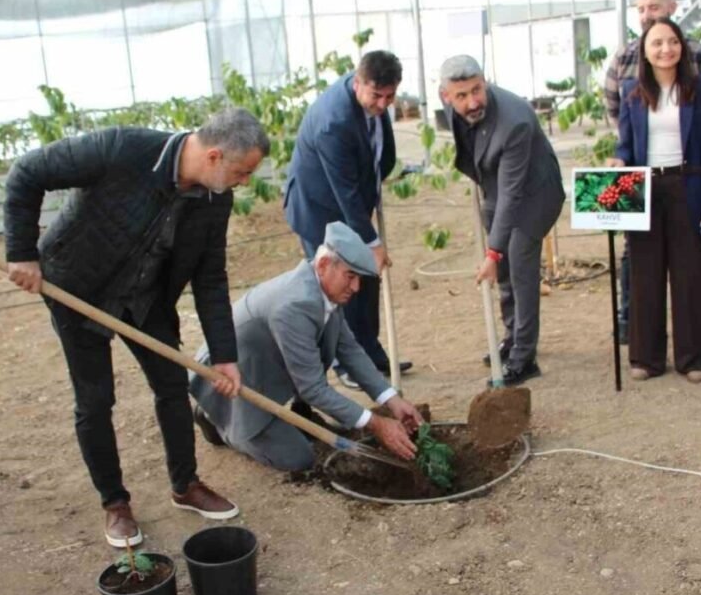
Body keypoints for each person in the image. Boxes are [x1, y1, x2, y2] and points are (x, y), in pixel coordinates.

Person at [4, 108, 268, 548]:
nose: (243, 183)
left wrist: (225, 355)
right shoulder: (123, 148)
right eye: (242, 172)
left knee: (171, 385)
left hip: (147, 297)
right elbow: (27, 172)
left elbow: (210, 277)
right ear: (216, 156)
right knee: (95, 400)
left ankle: (185, 485)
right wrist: (21, 252)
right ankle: (115, 504)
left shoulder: (213, 197)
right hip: (79, 287)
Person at [188, 222, 423, 470]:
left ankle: (291, 414)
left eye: (359, 278)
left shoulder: (323, 290)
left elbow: (350, 351)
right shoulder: (294, 305)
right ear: (323, 265)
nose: (356, 288)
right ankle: (216, 420)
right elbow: (312, 388)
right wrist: (376, 423)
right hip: (232, 382)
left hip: (268, 369)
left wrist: (392, 400)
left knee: (321, 351)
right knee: (298, 459)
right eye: (350, 276)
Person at [606, 17, 701, 383]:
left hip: (687, 186)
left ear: (682, 47)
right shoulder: (632, 91)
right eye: (657, 43)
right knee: (644, 274)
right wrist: (619, 160)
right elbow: (626, 143)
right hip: (644, 189)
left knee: (691, 275)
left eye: (672, 42)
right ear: (644, 50)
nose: (665, 49)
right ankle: (646, 358)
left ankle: (693, 359)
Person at [284, 50, 412, 385]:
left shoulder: (373, 102)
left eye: (390, 96)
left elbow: (381, 152)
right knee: (336, 286)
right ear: (358, 84)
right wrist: (371, 241)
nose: (383, 104)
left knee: (366, 280)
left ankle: (370, 351)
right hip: (318, 209)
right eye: (376, 96)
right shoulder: (334, 121)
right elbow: (344, 190)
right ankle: (344, 364)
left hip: (351, 202)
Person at [439, 54, 565, 386]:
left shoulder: (515, 120)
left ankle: (524, 359)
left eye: (477, 90)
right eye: (462, 95)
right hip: (497, 189)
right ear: (446, 96)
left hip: (535, 194)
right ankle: (512, 338)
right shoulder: (456, 111)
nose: (472, 101)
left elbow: (513, 194)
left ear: (486, 81)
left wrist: (493, 254)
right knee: (506, 274)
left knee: (520, 269)